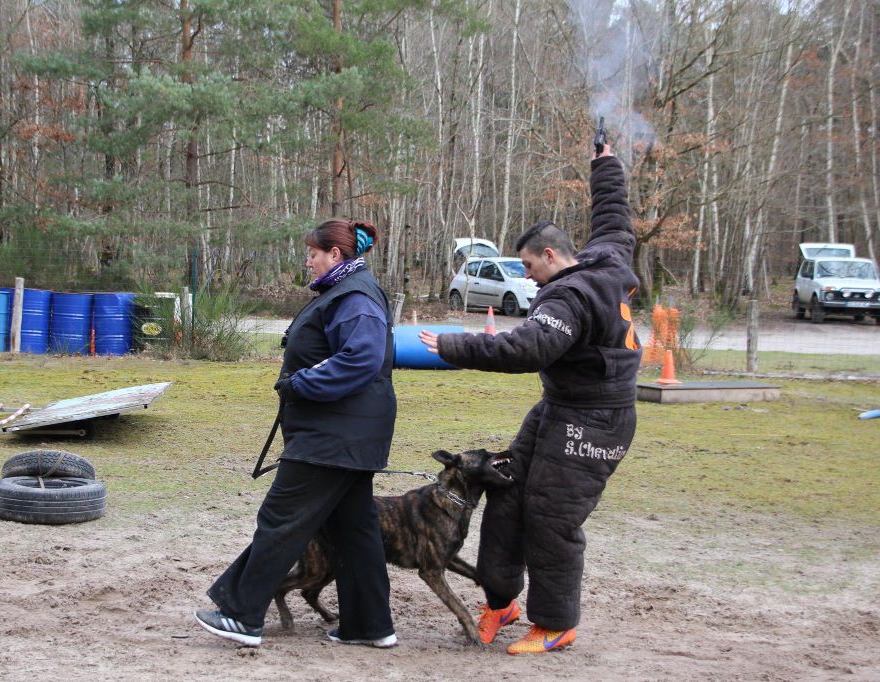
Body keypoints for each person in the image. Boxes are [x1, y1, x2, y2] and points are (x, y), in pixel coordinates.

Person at [419, 143, 640, 654]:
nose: (523, 276)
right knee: (506, 483)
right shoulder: (607, 256)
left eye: (525, 266)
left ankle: (556, 623)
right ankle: (500, 601)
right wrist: (605, 164)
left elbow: (527, 348)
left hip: (598, 419)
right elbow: (614, 217)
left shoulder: (569, 296)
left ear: (550, 256)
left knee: (550, 515)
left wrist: (455, 345)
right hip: (560, 407)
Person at [196, 218, 398, 648]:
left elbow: (360, 359)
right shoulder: (343, 293)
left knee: (280, 519)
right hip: (346, 434)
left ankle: (241, 614)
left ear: (335, 255)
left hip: (334, 437)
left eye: (312, 254)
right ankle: (369, 625)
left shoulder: (356, 298)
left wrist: (301, 383)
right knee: (353, 528)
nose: (307, 262)